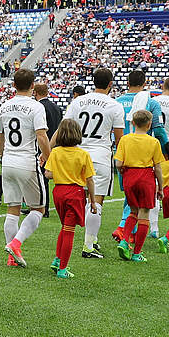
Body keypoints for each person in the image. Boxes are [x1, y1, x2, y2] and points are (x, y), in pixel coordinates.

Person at [63, 68, 124, 259]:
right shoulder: (114, 105)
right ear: (110, 84)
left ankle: (88, 239)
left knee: (76, 199)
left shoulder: (78, 101)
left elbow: (64, 127)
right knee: (96, 200)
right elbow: (119, 137)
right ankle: (88, 244)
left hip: (77, 153)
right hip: (100, 155)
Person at [0, 68, 51, 268]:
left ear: (13, 85)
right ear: (33, 86)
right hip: (27, 161)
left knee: (13, 209)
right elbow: (41, 135)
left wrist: (3, 154)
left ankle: (12, 258)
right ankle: (16, 244)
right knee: (38, 208)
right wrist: (48, 157)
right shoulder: (36, 107)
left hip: (8, 161)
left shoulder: (4, 106)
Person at [43, 119, 97, 279]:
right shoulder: (83, 154)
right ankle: (62, 268)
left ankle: (57, 260)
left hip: (58, 191)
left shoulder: (56, 152)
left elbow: (48, 174)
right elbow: (90, 180)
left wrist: (61, 172)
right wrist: (93, 201)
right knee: (69, 231)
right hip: (74, 192)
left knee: (64, 227)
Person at [112, 110, 165, 262]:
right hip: (146, 177)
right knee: (145, 213)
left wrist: (123, 172)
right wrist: (160, 187)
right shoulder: (153, 142)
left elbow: (118, 163)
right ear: (149, 124)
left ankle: (124, 240)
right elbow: (158, 167)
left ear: (133, 123)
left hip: (129, 176)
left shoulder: (125, 140)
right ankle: (137, 253)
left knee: (133, 211)